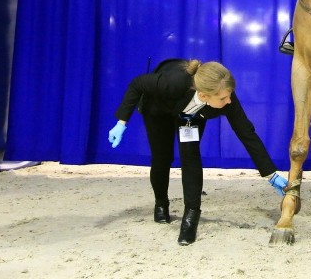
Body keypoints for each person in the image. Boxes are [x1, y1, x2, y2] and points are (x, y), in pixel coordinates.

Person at [108, 58, 287, 246]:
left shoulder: (225, 96)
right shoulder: (174, 83)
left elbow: (246, 134)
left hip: (191, 117)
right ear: (203, 95)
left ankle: (190, 217)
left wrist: (271, 174)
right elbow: (137, 84)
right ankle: (161, 203)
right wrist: (121, 123)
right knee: (162, 157)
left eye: (230, 95)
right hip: (159, 109)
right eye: (223, 98)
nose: (229, 101)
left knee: (191, 157)